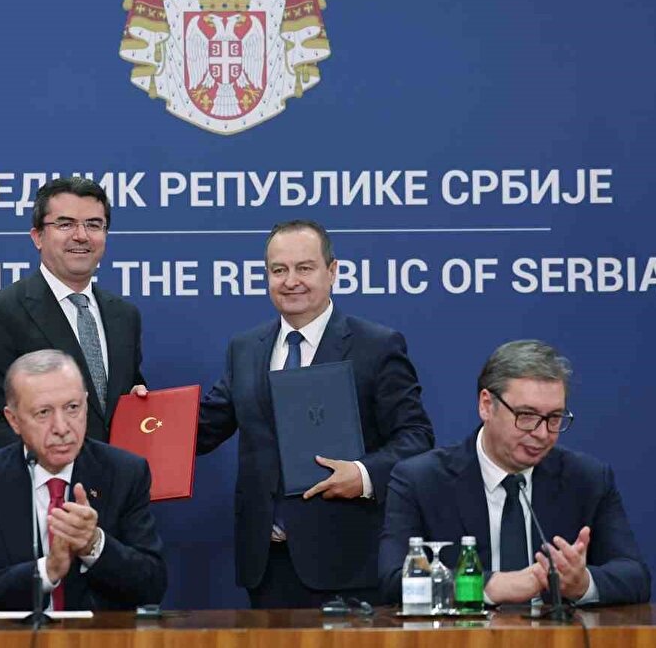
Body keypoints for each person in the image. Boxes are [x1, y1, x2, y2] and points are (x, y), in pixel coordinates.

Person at [138, 219, 434, 608]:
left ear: (333, 272)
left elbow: (416, 438)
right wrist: (144, 418)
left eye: (304, 268)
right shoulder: (246, 349)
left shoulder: (375, 346)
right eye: (279, 270)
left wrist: (361, 475)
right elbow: (205, 427)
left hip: (347, 564)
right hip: (268, 566)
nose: (291, 280)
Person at [379, 340, 651, 606]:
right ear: (486, 405)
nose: (542, 434)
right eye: (527, 416)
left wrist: (583, 583)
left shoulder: (587, 479)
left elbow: (635, 576)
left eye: (554, 418)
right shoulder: (421, 480)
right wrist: (492, 585)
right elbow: (394, 581)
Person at [0, 349, 167, 611]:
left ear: (86, 404)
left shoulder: (124, 473)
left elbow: (152, 585)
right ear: (13, 420)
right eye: (43, 413)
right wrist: (47, 571)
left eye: (72, 408)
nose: (62, 428)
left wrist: (93, 544)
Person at [0, 177, 145, 454]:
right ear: (37, 237)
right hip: (45, 491)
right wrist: (64, 460)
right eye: (65, 224)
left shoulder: (124, 315)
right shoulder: (0, 313)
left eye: (94, 224)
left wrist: (139, 407)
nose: (81, 235)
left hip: (116, 490)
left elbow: (113, 406)